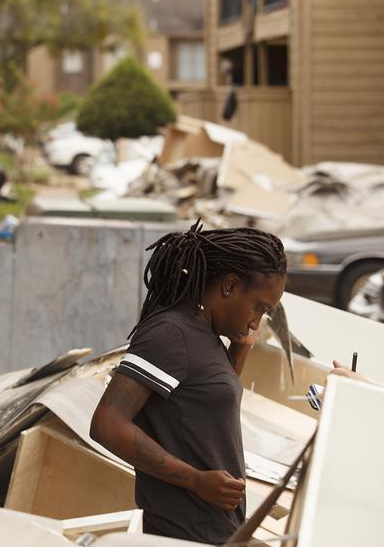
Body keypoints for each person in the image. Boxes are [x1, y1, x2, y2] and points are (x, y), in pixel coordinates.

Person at [90, 221, 287, 544]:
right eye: (259, 307)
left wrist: (239, 351)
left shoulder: (205, 333)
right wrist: (196, 480)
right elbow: (107, 425)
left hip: (215, 529)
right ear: (230, 285)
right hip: (183, 533)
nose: (257, 321)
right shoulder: (172, 334)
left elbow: (205, 410)